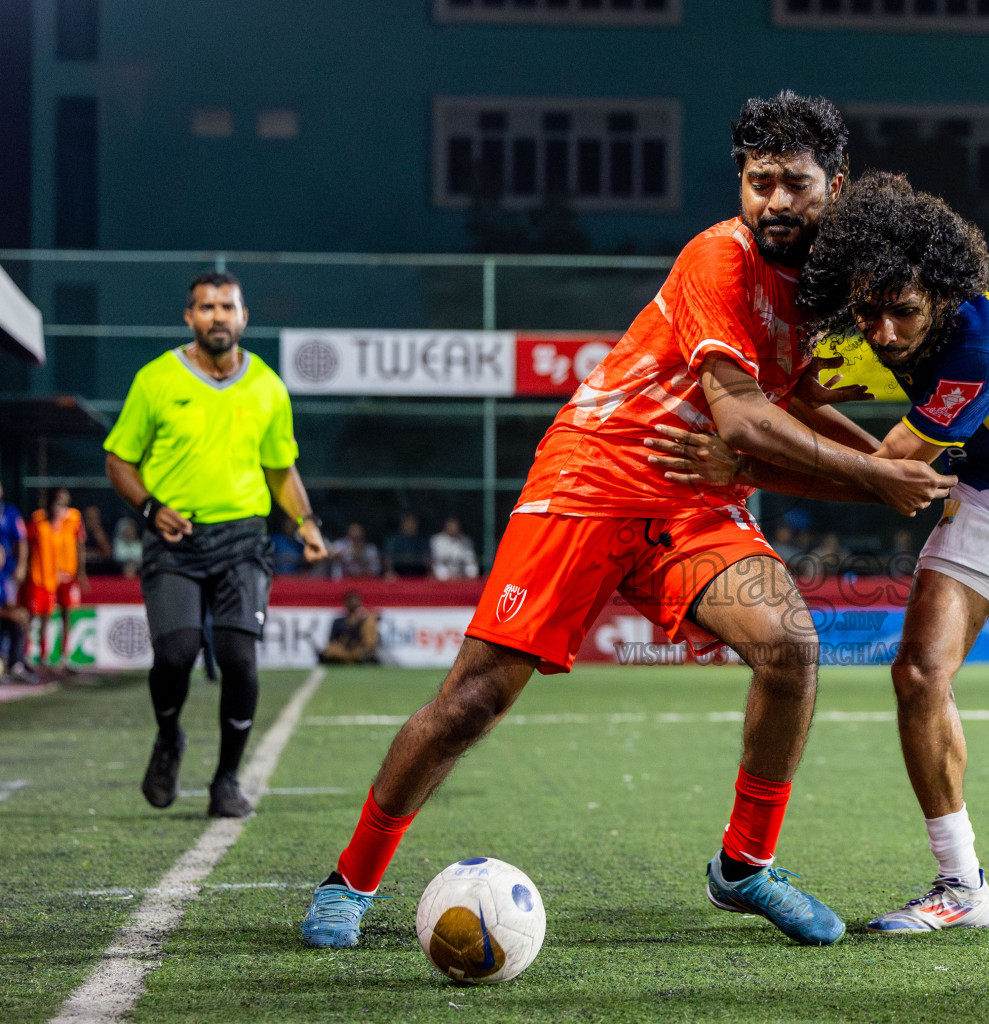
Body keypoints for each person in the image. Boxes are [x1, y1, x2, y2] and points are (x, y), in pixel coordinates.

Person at [299, 91, 954, 952]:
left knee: (790, 647)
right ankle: (351, 881)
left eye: (794, 183)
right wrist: (877, 471)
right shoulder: (718, 259)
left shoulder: (828, 288)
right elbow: (749, 423)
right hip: (592, 479)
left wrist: (886, 474)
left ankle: (744, 867)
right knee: (473, 701)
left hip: (693, 500)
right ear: (741, 182)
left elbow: (788, 409)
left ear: (832, 184)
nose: (775, 203)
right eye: (759, 183)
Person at [655, 172, 989, 934]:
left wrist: (745, 463)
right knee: (916, 671)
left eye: (902, 311)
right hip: (988, 490)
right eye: (867, 308)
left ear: (942, 294)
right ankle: (963, 888)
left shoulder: (980, 349)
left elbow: (891, 478)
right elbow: (798, 393)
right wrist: (762, 411)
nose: (881, 332)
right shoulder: (880, 325)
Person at [104, 271, 327, 819]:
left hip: (243, 540)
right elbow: (118, 460)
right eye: (206, 307)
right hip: (174, 541)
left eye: (227, 306)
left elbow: (281, 471)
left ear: (243, 316)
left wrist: (305, 522)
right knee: (176, 655)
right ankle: (168, 738)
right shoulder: (156, 379)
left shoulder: (269, 387)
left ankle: (226, 780)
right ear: (190, 318)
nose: (217, 316)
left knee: (239, 660)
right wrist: (152, 510)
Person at [25, 488, 88, 672]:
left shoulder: (73, 518)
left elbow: (79, 544)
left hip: (67, 574)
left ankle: (64, 657)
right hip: (46, 577)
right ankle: (34, 656)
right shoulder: (40, 521)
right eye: (57, 501)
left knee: (65, 614)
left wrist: (80, 571)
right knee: (39, 615)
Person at [0, 481, 32, 681]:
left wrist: (20, 566)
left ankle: (16, 662)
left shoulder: (10, 512)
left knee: (18, 619)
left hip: (8, 575)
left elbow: (21, 540)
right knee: (15, 617)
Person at [318, 590, 381, 664]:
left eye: (355, 602)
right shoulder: (338, 621)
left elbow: (366, 639)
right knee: (331, 650)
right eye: (351, 601)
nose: (353, 604)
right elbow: (331, 640)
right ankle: (348, 660)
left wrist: (360, 620)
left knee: (371, 620)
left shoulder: (364, 620)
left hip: (358, 649)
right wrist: (349, 626)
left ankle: (360, 658)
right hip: (342, 650)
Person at [428, 516, 478, 580]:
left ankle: (471, 587)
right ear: (446, 527)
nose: (453, 529)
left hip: (460, 568)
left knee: (472, 569)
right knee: (441, 570)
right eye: (451, 526)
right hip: (445, 567)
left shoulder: (466, 540)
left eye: (455, 527)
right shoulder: (437, 539)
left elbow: (470, 557)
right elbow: (438, 557)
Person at [382, 513, 430, 578]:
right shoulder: (394, 540)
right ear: (402, 524)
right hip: (398, 573)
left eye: (412, 523)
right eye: (407, 523)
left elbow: (427, 559)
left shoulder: (421, 541)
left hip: (418, 573)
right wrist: (389, 571)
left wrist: (429, 572)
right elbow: (387, 558)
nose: (410, 525)